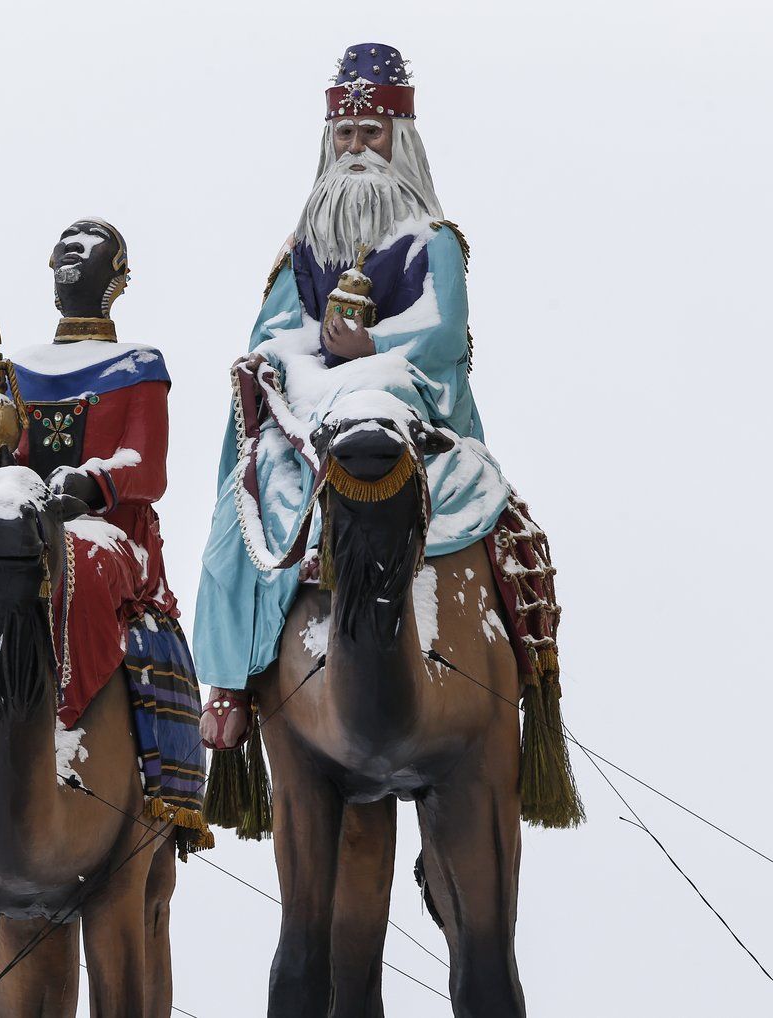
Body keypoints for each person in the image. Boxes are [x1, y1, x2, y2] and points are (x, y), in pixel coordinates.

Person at [195, 44, 539, 746]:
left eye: (371, 133)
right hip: (313, 408)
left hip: (407, 402)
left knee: (497, 513)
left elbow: (442, 337)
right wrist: (283, 360)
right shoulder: (305, 248)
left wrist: (370, 352)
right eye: (345, 135)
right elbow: (274, 332)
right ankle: (230, 680)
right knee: (240, 508)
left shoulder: (433, 240)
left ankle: (521, 662)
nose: (356, 149)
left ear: (400, 138)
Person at [0, 220, 207, 843]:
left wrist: (92, 482)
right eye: (62, 255)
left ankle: (66, 720)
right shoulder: (18, 369)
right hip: (19, 517)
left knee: (71, 560)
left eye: (87, 254)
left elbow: (147, 466)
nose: (69, 261)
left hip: (105, 530)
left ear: (119, 278)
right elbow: (9, 459)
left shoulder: (139, 366)